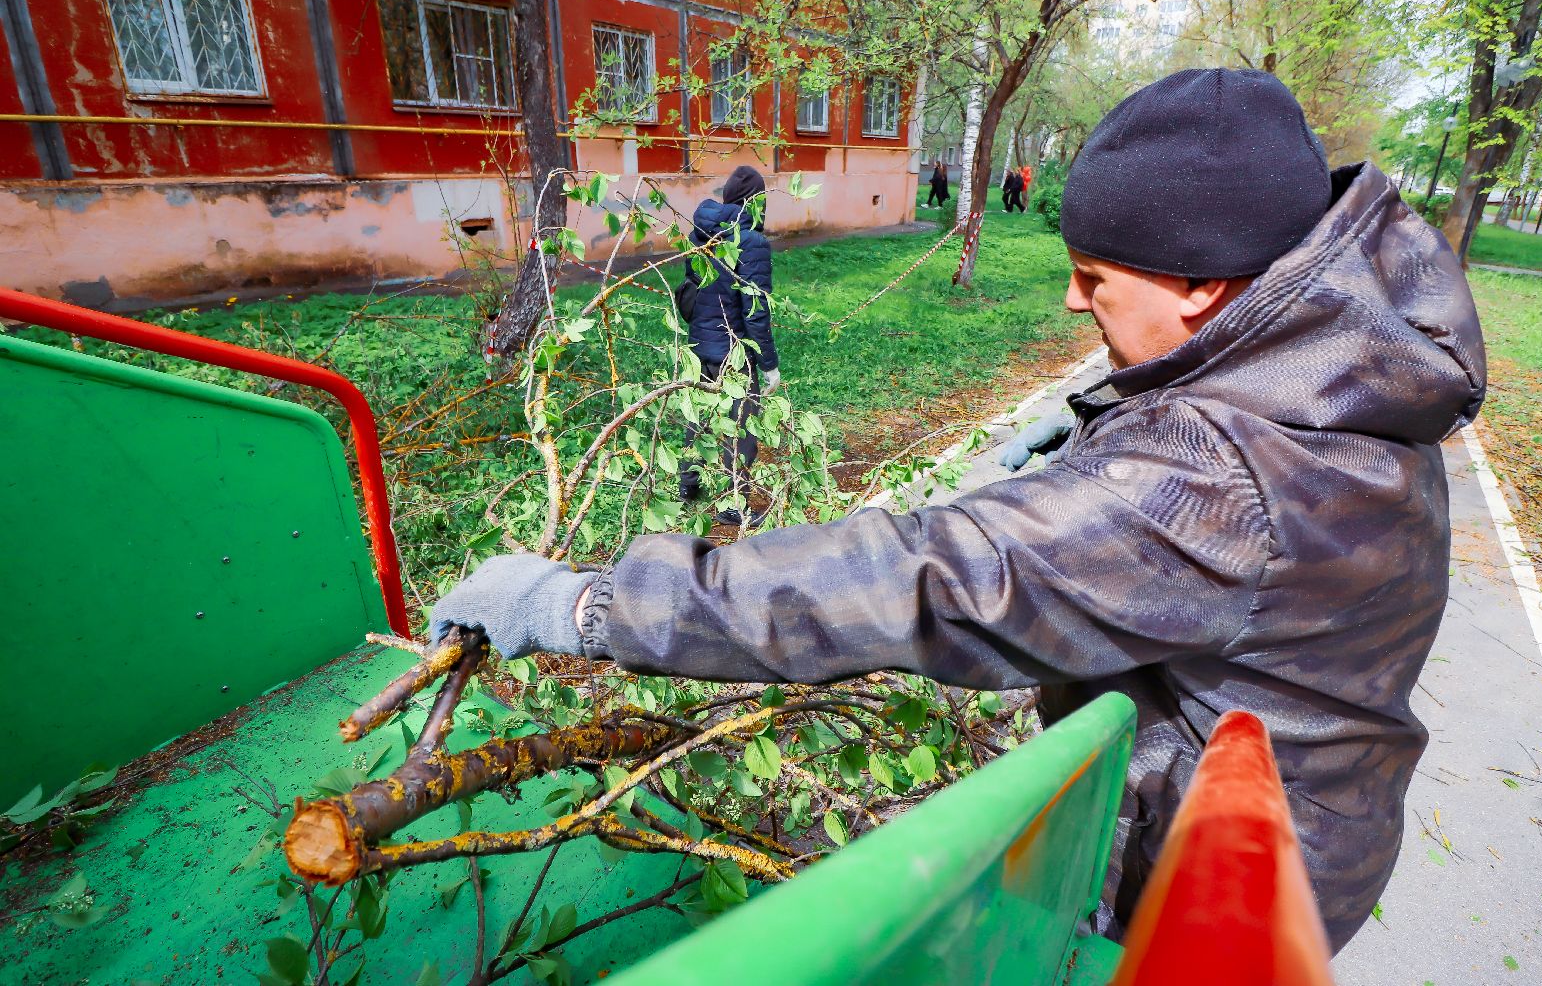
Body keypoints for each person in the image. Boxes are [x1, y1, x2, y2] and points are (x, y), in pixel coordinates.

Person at [430, 69, 1486, 952]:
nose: (1074, 300)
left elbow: (925, 578)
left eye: (1093, 276)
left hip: (1204, 900)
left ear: (1203, 287)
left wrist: (591, 608)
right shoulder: (1348, 374)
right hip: (1315, 837)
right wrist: (1091, 457)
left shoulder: (1215, 478)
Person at [675, 164, 780, 526]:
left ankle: (688, 484)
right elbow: (754, 309)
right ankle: (732, 502)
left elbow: (694, 287)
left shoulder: (699, 233)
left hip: (699, 344)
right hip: (733, 350)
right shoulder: (752, 242)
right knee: (740, 426)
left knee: (700, 416)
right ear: (754, 202)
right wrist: (768, 363)